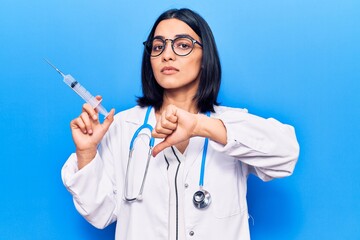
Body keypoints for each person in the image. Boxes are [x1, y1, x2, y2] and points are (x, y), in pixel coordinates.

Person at [61, 8, 299, 240]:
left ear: (206, 58)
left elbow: (286, 156)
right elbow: (100, 214)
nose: (167, 54)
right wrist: (86, 152)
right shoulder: (124, 127)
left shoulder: (229, 123)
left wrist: (200, 126)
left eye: (182, 44)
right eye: (158, 46)